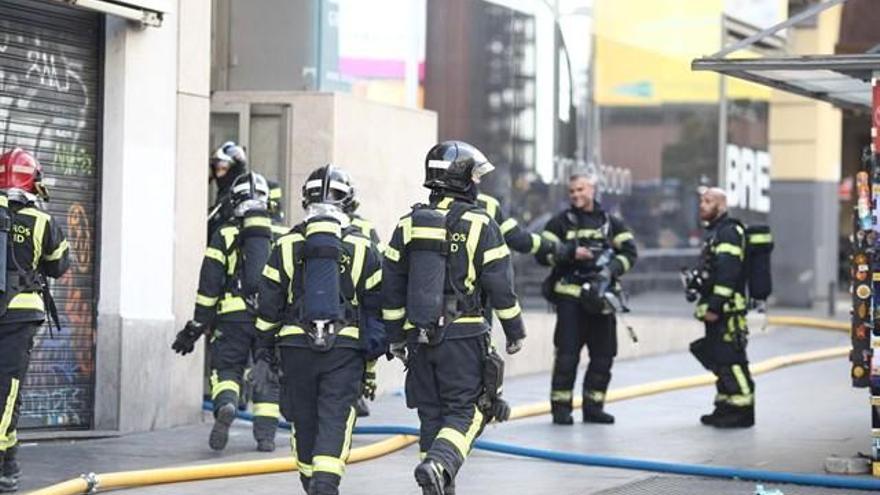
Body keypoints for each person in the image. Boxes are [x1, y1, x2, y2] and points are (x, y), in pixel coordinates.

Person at [382, 140, 525, 495]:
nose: (478, 183)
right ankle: (439, 464)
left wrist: (396, 335)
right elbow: (500, 286)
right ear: (462, 179)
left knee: (431, 414)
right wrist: (514, 330)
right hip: (462, 335)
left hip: (418, 337)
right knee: (469, 410)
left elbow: (390, 286)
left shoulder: (407, 224)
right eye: (475, 176)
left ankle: (438, 485)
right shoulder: (481, 223)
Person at [254, 164, 385, 495]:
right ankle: (325, 484)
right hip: (344, 349)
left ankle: (311, 480)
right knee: (335, 416)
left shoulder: (285, 245)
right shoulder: (362, 247)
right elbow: (375, 310)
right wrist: (371, 362)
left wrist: (264, 350)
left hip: (295, 348)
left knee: (304, 419)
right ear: (348, 202)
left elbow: (268, 306)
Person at [172, 172, 281, 452]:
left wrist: (196, 326)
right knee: (267, 373)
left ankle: (227, 405)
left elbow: (209, 286)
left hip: (232, 318)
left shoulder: (224, 235)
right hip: (269, 320)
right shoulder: (280, 235)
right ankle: (266, 436)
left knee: (227, 369)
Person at [536, 173, 637, 425]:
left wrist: (609, 271)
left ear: (592, 190)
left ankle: (594, 407)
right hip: (571, 300)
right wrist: (570, 253)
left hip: (602, 299)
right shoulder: (560, 223)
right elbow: (541, 254)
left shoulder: (612, 223)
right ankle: (561, 409)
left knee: (603, 355)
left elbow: (630, 253)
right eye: (571, 191)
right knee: (567, 355)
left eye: (580, 189)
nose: (575, 195)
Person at [0, 149, 69, 493]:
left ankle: (9, 460)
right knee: (8, 390)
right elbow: (59, 265)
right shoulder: (41, 220)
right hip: (20, 314)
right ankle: (5, 461)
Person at [688, 187, 754, 428]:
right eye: (701, 201)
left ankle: (743, 410)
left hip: (727, 311)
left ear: (722, 205)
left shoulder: (729, 232)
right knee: (718, 359)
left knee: (732, 360)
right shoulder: (716, 233)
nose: (702, 205)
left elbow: (728, 274)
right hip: (717, 309)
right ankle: (725, 407)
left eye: (708, 201)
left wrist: (715, 305)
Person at [339, 179, 382, 418]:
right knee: (368, 342)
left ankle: (355, 393)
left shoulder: (315, 226)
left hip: (331, 303)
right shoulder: (365, 228)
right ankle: (360, 389)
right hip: (361, 301)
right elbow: (380, 261)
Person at [208, 142, 248, 239]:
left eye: (223, 169)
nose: (218, 175)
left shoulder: (237, 195)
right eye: (217, 169)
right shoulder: (224, 194)